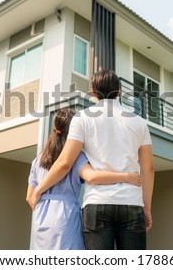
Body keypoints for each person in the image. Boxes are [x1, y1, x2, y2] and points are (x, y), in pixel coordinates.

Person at [30, 69, 154, 250]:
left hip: (97, 205)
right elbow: (148, 168)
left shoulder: (82, 118)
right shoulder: (139, 122)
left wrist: (39, 189)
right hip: (132, 203)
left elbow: (65, 162)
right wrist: (147, 207)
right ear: (119, 91)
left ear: (93, 92)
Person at [26, 107, 142, 250]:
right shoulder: (75, 157)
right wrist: (127, 177)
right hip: (66, 217)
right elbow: (91, 177)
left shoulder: (37, 160)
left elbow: (29, 197)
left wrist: (43, 208)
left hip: (41, 217)